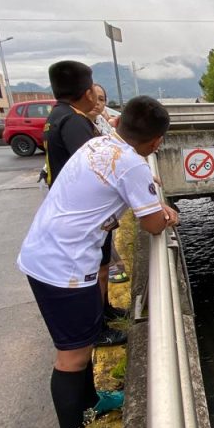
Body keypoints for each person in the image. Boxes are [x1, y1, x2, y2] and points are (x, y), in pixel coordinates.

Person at [18, 95, 179, 428]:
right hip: (64, 268)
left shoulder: (101, 143)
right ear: (156, 143)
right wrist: (167, 213)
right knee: (71, 357)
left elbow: (126, 183)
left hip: (53, 254)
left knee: (84, 344)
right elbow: (153, 223)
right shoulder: (131, 165)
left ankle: (92, 399)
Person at [43, 63, 125, 347]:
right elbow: (95, 166)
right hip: (84, 213)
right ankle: (98, 327)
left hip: (72, 209)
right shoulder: (74, 121)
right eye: (93, 89)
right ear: (87, 91)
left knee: (101, 267)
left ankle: (105, 310)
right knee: (93, 271)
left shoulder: (58, 116)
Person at [87, 85, 129, 284]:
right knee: (95, 256)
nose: (97, 103)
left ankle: (105, 306)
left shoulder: (100, 124)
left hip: (103, 205)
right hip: (92, 204)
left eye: (102, 99)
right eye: (94, 98)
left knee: (103, 248)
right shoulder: (77, 126)